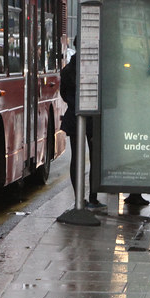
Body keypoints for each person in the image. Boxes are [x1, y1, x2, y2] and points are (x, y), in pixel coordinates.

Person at [59, 48, 104, 210]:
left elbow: (63, 94)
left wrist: (73, 104)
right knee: (94, 158)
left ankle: (79, 198)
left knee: (76, 158)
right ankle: (93, 198)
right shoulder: (95, 69)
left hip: (73, 116)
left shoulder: (67, 70)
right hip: (92, 117)